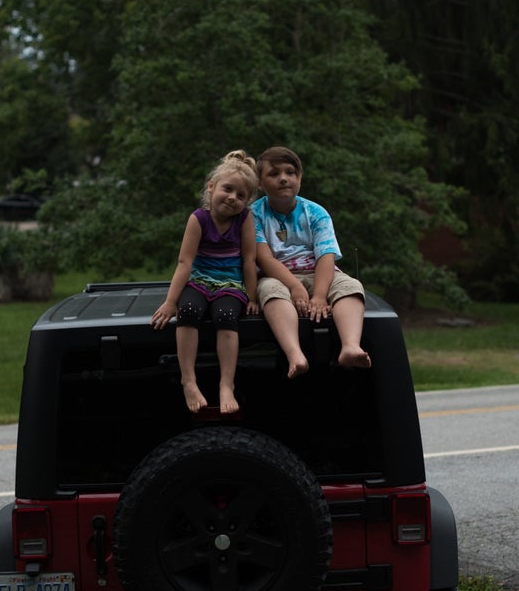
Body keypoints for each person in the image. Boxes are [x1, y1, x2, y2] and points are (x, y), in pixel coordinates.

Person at [150, 150, 260, 414]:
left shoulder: (244, 220)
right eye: (227, 189)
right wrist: (170, 302)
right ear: (211, 188)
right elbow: (184, 263)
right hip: (198, 281)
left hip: (230, 285)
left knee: (225, 316)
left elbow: (248, 260)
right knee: (188, 312)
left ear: (247, 202)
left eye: (241, 195)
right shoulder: (198, 219)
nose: (233, 198)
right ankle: (188, 380)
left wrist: (253, 297)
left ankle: (226, 384)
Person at [251, 145, 370, 378]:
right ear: (259, 183)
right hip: (278, 276)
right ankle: (294, 353)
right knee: (270, 293)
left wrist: (319, 295)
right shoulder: (254, 214)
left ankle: (350, 346)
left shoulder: (316, 213)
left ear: (300, 178)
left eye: (290, 172)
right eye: (274, 174)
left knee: (350, 287)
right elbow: (264, 259)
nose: (284, 178)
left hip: (320, 273)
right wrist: (295, 287)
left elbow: (326, 255)